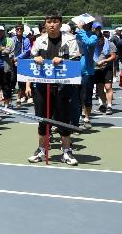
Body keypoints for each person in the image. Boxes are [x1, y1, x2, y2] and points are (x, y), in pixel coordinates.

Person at [25, 11, 81, 165]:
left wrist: (63, 60)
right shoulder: (39, 40)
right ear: (45, 24)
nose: (51, 25)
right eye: (49, 22)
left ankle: (66, 151)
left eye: (55, 21)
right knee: (42, 119)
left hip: (64, 86)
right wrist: (35, 59)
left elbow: (76, 61)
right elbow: (31, 60)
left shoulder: (70, 40)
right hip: (43, 87)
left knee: (64, 119)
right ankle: (41, 150)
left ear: (60, 24)